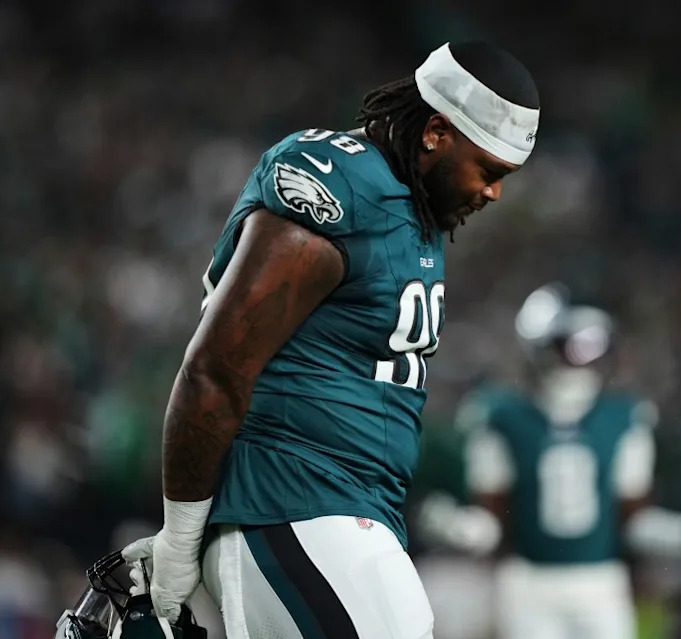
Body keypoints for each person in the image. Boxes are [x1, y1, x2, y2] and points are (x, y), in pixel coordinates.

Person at [120, 41, 541, 639]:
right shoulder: (342, 184)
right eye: (489, 170)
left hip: (348, 513)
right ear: (438, 133)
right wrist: (179, 539)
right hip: (292, 503)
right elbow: (215, 367)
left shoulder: (408, 210)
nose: (493, 193)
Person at [446, 283, 681, 639]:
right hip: (528, 582)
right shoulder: (503, 417)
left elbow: (635, 520)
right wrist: (458, 527)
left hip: (600, 582)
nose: (582, 358)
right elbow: (490, 520)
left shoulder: (623, 418)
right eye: (573, 345)